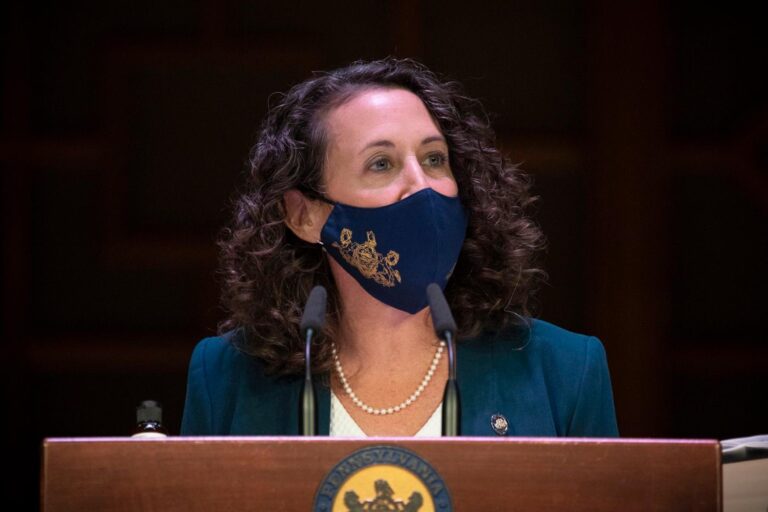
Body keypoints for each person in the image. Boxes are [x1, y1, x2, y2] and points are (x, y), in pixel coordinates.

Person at [181, 58, 618, 437]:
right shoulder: (226, 376)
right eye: (382, 164)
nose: (421, 185)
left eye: (434, 158)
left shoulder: (565, 370)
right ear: (304, 215)